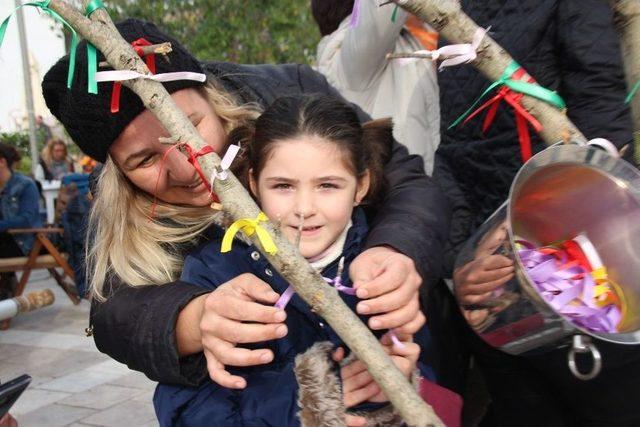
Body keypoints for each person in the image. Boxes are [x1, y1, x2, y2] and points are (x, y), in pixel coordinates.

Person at [42, 18, 450, 405]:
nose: (188, 168)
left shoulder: (288, 95)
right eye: (145, 160)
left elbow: (406, 180)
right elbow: (113, 310)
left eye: (191, 125)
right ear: (120, 175)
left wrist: (397, 248)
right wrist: (192, 317)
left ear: (211, 97)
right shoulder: (122, 206)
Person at [154, 94, 439, 426]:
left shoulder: (383, 269)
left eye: (328, 185)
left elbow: (427, 361)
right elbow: (185, 408)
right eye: (284, 186)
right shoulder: (217, 271)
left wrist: (398, 388)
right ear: (253, 184)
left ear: (361, 186)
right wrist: (303, 402)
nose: (304, 208)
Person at [434, 1, 640, 425]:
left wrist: (570, 206)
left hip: (574, 255)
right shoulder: (450, 14)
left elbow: (602, 109)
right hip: (491, 273)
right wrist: (460, 265)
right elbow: (451, 150)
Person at [312, 0, 440, 174]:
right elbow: (379, 9)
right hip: (395, 193)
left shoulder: (404, 41)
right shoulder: (359, 52)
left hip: (415, 190)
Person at [0, 143, 42, 300]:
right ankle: (6, 288)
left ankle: (6, 291)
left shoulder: (25, 185)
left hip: (23, 242)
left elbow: (26, 219)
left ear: (2, 161)